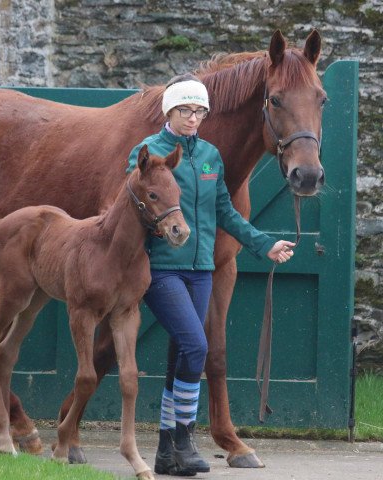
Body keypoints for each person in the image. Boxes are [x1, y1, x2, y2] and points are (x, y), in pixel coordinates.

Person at [126, 74, 295, 477]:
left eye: (200, 111)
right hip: (163, 269)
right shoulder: (147, 153)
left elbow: (225, 212)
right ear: (169, 111)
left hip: (202, 270)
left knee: (179, 355)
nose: (193, 118)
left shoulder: (209, 156)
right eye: (185, 110)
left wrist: (264, 244)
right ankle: (184, 438)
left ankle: (166, 452)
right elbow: (130, 206)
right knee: (196, 346)